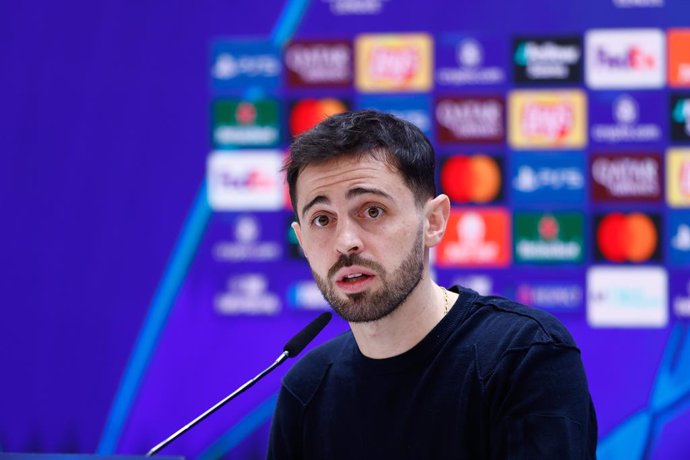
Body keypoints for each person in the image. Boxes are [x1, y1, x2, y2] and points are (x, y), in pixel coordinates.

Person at [268, 110, 597, 459]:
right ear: (302, 241)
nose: (345, 242)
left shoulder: (523, 355)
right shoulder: (306, 389)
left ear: (433, 222)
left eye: (372, 211)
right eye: (322, 219)